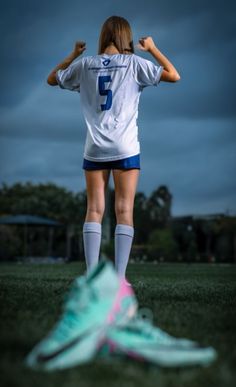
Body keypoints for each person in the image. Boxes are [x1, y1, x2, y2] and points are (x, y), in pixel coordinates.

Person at [47, 16, 180, 278]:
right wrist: (152, 48)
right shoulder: (133, 63)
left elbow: (52, 79)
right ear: (125, 37)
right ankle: (119, 280)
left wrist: (72, 55)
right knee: (124, 210)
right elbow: (174, 75)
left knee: (94, 209)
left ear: (103, 36)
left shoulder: (85, 65)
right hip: (125, 147)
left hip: (94, 147)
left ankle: (90, 277)